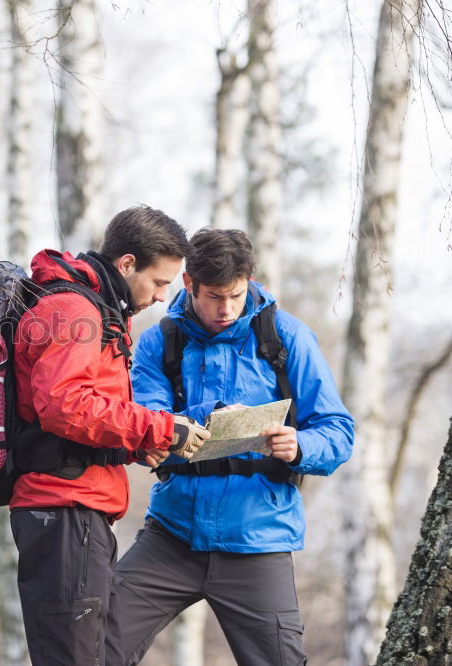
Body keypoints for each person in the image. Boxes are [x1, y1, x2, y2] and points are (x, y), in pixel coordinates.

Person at [106, 228, 355, 665]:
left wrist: (299, 445)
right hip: (171, 536)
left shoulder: (288, 338)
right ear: (189, 285)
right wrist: (173, 433)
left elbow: (338, 432)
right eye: (214, 296)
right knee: (93, 648)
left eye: (236, 296)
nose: (225, 309)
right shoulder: (157, 341)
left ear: (249, 281)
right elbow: (150, 419)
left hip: (259, 539)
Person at [9, 205, 210, 665]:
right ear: (126, 264)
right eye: (159, 282)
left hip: (80, 512)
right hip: (63, 511)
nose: (162, 297)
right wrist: (158, 425)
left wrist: (143, 441)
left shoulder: (94, 310)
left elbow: (89, 413)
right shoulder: (73, 310)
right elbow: (63, 405)